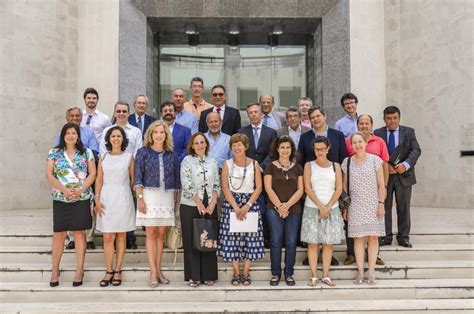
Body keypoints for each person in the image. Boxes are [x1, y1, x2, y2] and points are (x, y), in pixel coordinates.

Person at [45, 123, 96, 287]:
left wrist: (81, 190)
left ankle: (79, 269)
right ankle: (55, 270)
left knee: (80, 233)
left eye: (74, 133)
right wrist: (64, 190)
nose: (71, 136)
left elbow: (93, 173)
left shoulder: (86, 152)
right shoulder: (54, 152)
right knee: (59, 234)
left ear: (78, 136)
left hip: (81, 198)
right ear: (63, 135)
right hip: (61, 198)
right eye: (68, 133)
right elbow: (48, 174)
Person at [134, 120, 181, 287]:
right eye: (156, 132)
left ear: (166, 135)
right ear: (151, 135)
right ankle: (153, 271)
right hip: (148, 195)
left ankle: (159, 269)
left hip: (166, 196)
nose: (159, 135)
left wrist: (175, 202)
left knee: (161, 234)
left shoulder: (172, 155)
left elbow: (176, 181)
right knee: (151, 233)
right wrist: (140, 199)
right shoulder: (143, 152)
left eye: (162, 132)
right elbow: (137, 177)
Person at [217, 133, 264, 286]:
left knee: (250, 238)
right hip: (232, 204)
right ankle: (236, 272)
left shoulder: (254, 164)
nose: (237, 147)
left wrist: (247, 205)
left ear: (245, 147)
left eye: (239, 144)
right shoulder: (227, 164)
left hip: (250, 203)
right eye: (234, 145)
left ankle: (246, 272)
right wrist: (236, 207)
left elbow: (259, 187)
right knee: (232, 239)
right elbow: (225, 187)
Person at [344, 114, 389, 266]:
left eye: (366, 123)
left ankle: (373, 257)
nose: (364, 125)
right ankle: (353, 256)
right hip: (355, 197)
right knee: (356, 235)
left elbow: (385, 167)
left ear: (371, 124)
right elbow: (345, 179)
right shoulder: (348, 148)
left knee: (373, 235)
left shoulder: (379, 143)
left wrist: (383, 192)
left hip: (374, 193)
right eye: (361, 123)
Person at [374, 106, 421, 248]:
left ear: (399, 118)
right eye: (389, 118)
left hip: (404, 175)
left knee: (404, 207)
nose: (392, 121)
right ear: (384, 119)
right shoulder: (377, 133)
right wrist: (385, 166)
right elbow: (375, 153)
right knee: (384, 207)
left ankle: (403, 237)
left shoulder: (409, 132)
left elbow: (416, 150)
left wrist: (405, 165)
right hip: (385, 176)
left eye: (395, 118)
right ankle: (385, 236)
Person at [94, 126, 135, 287]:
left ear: (123, 139)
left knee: (121, 236)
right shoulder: (104, 157)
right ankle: (108, 270)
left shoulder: (129, 157)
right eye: (113, 136)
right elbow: (98, 179)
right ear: (109, 139)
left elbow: (133, 181)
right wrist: (96, 198)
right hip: (106, 197)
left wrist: (137, 199)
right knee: (107, 236)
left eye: (119, 136)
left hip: (123, 197)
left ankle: (118, 270)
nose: (116, 138)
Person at [301, 136, 344, 287]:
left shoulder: (335, 166)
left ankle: (325, 275)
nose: (319, 152)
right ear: (313, 150)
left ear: (328, 149)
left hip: (332, 209)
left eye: (322, 149)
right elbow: (307, 188)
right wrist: (320, 206)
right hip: (312, 208)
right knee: (312, 243)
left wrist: (328, 206)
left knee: (328, 243)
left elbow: (339, 188)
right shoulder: (309, 165)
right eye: (316, 149)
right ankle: (314, 276)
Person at [54, 107, 99, 250]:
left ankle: (90, 238)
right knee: (68, 210)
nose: (75, 118)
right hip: (64, 181)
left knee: (88, 209)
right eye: (72, 115)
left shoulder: (89, 133)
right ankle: (72, 238)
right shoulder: (60, 135)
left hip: (85, 176)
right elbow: (57, 155)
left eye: (78, 116)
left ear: (82, 117)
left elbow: (94, 152)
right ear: (67, 117)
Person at [180, 133, 220, 287]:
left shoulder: (213, 162)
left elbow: (216, 183)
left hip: (209, 204)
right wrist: (198, 203)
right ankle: (193, 276)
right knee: (192, 240)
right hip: (190, 204)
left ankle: (209, 275)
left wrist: (212, 203)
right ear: (192, 145)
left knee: (209, 239)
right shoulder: (187, 161)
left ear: (206, 144)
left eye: (202, 142)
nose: (199, 145)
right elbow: (186, 182)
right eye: (196, 143)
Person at [263, 136, 304, 286]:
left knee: (291, 242)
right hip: (273, 209)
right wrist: (280, 206)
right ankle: (275, 274)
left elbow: (301, 189)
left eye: (288, 147)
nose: (285, 150)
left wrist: (287, 206)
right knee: (275, 241)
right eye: (282, 147)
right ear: (277, 149)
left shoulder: (298, 167)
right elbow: (268, 188)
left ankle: (289, 273)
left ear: (292, 149)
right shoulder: (269, 166)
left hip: (294, 209)